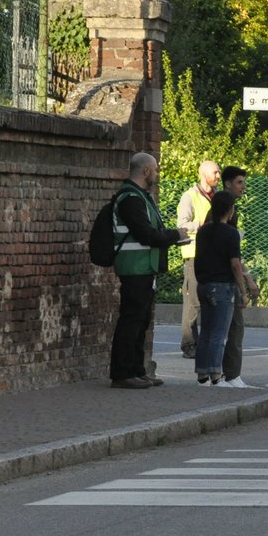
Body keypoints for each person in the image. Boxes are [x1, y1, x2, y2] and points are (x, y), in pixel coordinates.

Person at [110, 152, 189, 389]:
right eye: (155, 169)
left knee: (141, 321)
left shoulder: (141, 196)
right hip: (134, 267)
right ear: (145, 171)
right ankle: (122, 373)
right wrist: (176, 235)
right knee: (131, 321)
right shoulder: (130, 198)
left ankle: (137, 370)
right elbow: (146, 234)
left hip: (145, 267)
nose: (158, 173)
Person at [193, 189, 246, 385]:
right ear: (230, 210)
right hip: (222, 286)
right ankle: (216, 375)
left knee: (205, 330)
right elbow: (235, 264)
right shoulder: (231, 234)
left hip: (204, 285)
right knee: (219, 333)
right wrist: (242, 289)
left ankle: (202, 373)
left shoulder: (203, 231)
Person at [218, 165, 261, 387]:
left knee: (222, 329)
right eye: (239, 182)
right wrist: (246, 281)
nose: (243, 187)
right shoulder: (225, 209)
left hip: (221, 277)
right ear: (228, 184)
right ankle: (229, 376)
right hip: (225, 278)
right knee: (232, 328)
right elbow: (233, 256)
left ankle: (221, 375)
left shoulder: (225, 209)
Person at [176, 160, 221, 359]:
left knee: (208, 300)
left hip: (212, 255)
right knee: (193, 302)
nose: (218, 176)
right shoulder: (190, 196)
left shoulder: (217, 197)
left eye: (219, 172)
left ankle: (204, 342)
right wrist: (202, 223)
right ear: (203, 175)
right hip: (194, 255)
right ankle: (189, 344)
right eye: (215, 172)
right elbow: (182, 226)